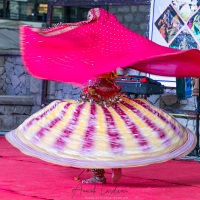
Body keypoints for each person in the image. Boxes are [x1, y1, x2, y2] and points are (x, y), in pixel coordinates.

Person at [5, 8, 200, 184]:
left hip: (97, 98)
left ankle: (99, 175)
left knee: (95, 138)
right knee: (112, 136)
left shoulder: (97, 44)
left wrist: (42, 36)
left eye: (91, 18)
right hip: (111, 97)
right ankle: (109, 170)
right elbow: (123, 63)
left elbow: (68, 40)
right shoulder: (110, 45)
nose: (89, 21)